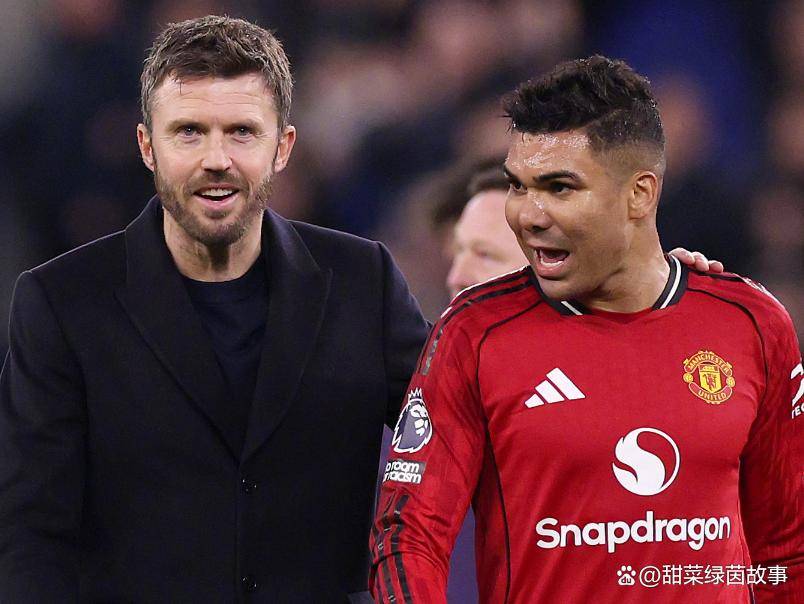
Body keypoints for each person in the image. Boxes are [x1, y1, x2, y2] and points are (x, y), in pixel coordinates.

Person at [0, 16, 428, 602]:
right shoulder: (62, 303)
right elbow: (30, 532)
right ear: (147, 146)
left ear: (283, 147)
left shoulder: (363, 281)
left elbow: (459, 431)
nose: (216, 158)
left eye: (242, 132)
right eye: (189, 132)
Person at [371, 56, 803, 603]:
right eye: (519, 186)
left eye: (559, 188)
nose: (528, 215)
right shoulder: (475, 333)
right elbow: (410, 534)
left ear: (640, 194)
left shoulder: (752, 324)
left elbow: (786, 550)